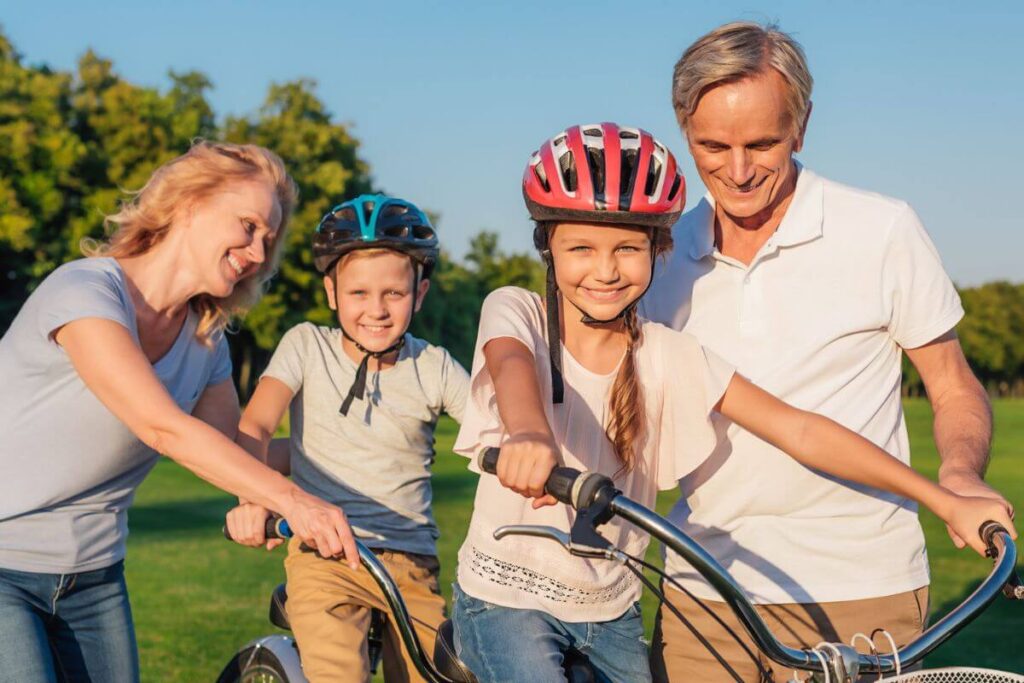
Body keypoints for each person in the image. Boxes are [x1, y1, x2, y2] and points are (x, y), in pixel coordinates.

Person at [448, 123, 1014, 683]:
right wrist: (529, 435)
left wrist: (942, 499)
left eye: (627, 247)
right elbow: (512, 369)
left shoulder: (671, 354)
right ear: (547, 246)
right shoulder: (518, 312)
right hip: (508, 597)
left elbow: (800, 431)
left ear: (659, 250)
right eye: (580, 248)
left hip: (610, 608)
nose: (604, 270)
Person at [641, 22, 1017, 683]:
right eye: (712, 146)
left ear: (802, 125)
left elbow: (953, 385)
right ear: (683, 128)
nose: (738, 169)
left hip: (861, 588)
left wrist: (958, 472)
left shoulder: (881, 230)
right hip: (702, 592)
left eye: (762, 143)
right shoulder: (658, 256)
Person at [0, 141, 360, 683]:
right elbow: (162, 426)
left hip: (94, 580)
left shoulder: (205, 342)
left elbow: (236, 454)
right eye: (247, 226)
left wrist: (353, 453)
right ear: (190, 205)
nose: (259, 253)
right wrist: (292, 500)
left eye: (268, 239)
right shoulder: (84, 291)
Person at [224, 194, 470, 683]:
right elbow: (255, 427)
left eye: (394, 294)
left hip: (411, 561)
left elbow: (496, 431)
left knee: (441, 674)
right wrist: (252, 499)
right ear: (332, 293)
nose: (376, 310)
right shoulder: (306, 346)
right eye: (358, 293)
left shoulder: (434, 365)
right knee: (338, 672)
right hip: (322, 554)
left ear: (419, 295)